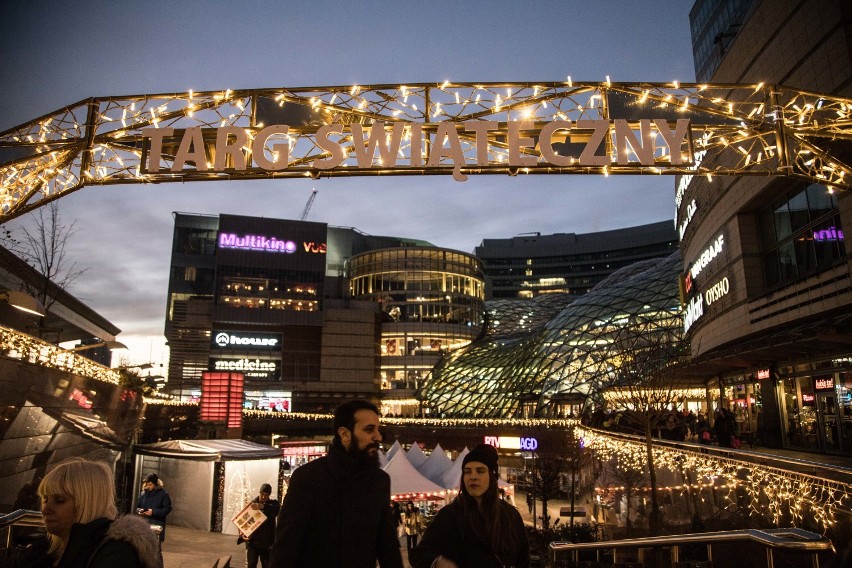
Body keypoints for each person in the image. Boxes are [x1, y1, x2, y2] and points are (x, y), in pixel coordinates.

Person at [269, 399, 403, 568]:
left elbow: (387, 547)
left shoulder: (379, 481)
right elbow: (286, 547)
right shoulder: (308, 478)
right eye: (369, 429)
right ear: (344, 434)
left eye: (378, 429)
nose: (378, 437)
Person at [15, 457, 162, 568]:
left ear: (88, 503)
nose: (45, 510)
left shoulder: (116, 555)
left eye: (59, 500)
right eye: (45, 499)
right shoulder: (48, 547)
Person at [409, 443, 529, 568]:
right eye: (467, 472)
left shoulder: (510, 516)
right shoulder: (450, 515)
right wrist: (438, 561)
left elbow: (523, 558)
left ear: (492, 476)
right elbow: (418, 554)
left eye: (480, 471)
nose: (473, 477)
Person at [238, 483, 280, 568]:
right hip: (253, 543)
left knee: (267, 565)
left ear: (269, 495)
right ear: (259, 493)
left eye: (266, 495)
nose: (263, 497)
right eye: (262, 494)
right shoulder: (252, 505)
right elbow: (242, 522)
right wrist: (242, 535)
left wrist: (262, 506)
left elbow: (276, 509)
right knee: (251, 564)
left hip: (267, 544)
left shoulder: (272, 505)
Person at [136, 473, 172, 542]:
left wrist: (153, 512)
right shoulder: (143, 494)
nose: (148, 486)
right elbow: (137, 507)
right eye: (147, 484)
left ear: (156, 484)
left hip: (156, 527)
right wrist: (141, 511)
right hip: (144, 525)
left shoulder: (163, 494)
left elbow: (167, 509)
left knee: (156, 549)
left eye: (150, 484)